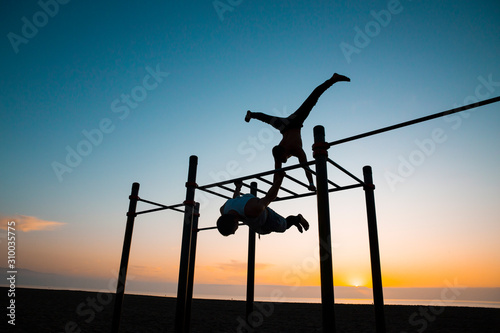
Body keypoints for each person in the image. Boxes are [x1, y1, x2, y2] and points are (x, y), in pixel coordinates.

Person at [245, 73, 350, 191]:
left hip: (294, 121)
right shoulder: (278, 153)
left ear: (284, 152)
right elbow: (277, 172)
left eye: (283, 158)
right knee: (267, 119)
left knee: (312, 99)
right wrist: (274, 187)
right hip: (283, 126)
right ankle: (252, 114)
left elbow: (306, 166)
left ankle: (333, 79)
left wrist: (311, 183)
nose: (284, 161)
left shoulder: (296, 149)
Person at [217, 171, 309, 236]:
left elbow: (270, 197)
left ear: (235, 220)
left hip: (268, 218)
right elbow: (235, 199)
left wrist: (279, 180)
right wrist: (238, 188)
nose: (234, 233)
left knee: (284, 226)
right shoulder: (223, 210)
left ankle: (298, 218)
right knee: (265, 231)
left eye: (233, 231)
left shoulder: (253, 209)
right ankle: (295, 221)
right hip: (256, 224)